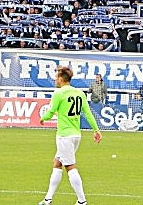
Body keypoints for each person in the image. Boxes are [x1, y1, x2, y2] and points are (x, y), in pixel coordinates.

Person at [38, 65, 102, 205]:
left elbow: (50, 112)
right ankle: (48, 199)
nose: (55, 80)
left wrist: (43, 118)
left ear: (60, 79)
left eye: (56, 77)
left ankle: (82, 201)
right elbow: (88, 113)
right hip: (76, 135)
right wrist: (96, 130)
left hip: (64, 135)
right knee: (57, 162)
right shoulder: (79, 93)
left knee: (70, 167)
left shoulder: (59, 93)